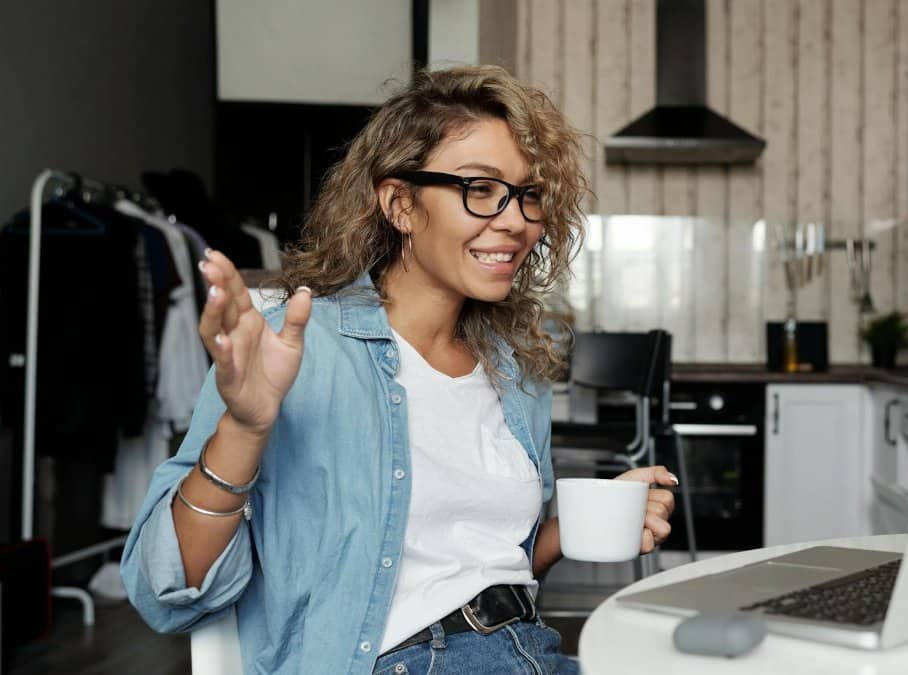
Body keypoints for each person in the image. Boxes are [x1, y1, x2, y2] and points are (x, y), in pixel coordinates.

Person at [120, 65, 677, 674]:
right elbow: (163, 591)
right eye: (481, 188)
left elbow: (483, 568)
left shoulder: (516, 368)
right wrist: (244, 429)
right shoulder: (295, 345)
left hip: (528, 652)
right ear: (400, 204)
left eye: (529, 194)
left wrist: (570, 530)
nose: (516, 220)